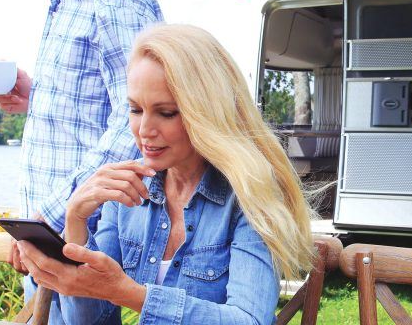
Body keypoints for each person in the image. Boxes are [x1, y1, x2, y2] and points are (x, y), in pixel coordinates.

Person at [17, 24, 316, 324]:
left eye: (166, 112)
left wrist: (129, 293)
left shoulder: (249, 194)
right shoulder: (127, 191)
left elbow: (250, 320)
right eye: (135, 110)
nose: (144, 130)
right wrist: (76, 221)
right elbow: (91, 322)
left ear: (207, 111)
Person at [0, 0, 163, 268]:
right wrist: (36, 98)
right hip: (53, 239)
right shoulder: (75, 2)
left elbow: (138, 126)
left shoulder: (112, 0)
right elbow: (110, 109)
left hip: (85, 242)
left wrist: (50, 219)